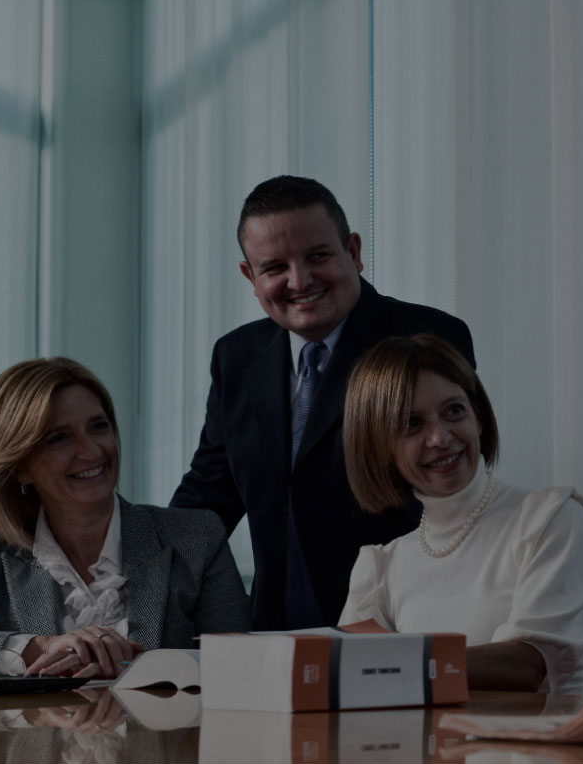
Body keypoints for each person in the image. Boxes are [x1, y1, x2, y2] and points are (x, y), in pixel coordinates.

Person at [171, 176, 477, 630]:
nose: (300, 281)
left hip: (396, 623)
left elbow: (452, 486)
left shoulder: (427, 338)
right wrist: (136, 572)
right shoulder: (235, 356)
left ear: (353, 251)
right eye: (275, 267)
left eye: (317, 256)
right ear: (251, 277)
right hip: (274, 632)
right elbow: (210, 494)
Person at [0, 358, 251, 678]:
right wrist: (35, 648)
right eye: (59, 438)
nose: (91, 451)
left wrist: (136, 667)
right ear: (19, 467)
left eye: (98, 427)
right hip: (39, 723)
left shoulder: (196, 538)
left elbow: (238, 665)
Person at [336, 334, 583, 695]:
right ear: (380, 447)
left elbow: (526, 666)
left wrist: (385, 666)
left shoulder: (553, 519)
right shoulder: (382, 566)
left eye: (454, 411)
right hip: (431, 734)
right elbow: (350, 683)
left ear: (478, 417)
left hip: (550, 732)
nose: (440, 438)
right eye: (411, 423)